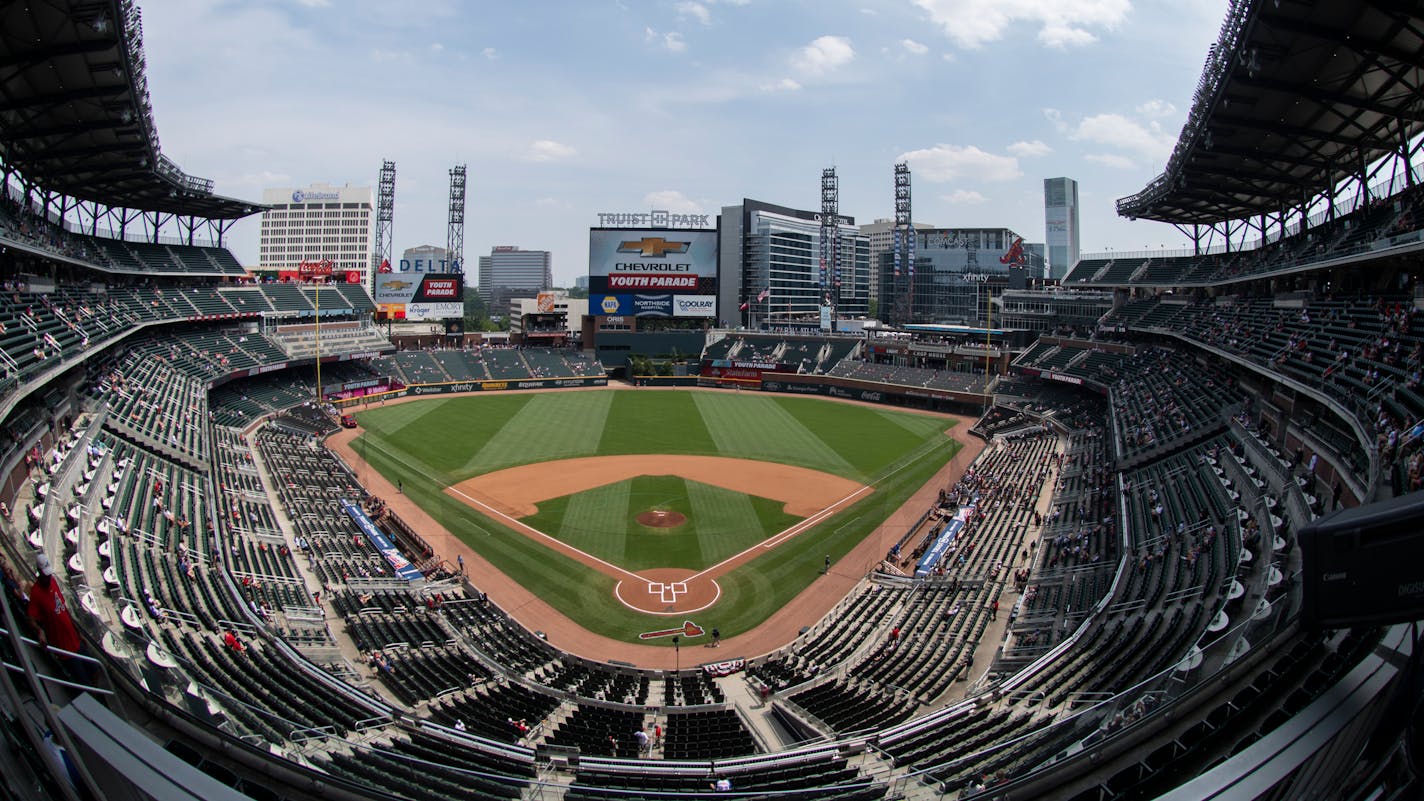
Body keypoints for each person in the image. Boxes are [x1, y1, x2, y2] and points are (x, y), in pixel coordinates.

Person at [28, 554, 93, 683]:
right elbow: (31, 618)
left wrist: (78, 633)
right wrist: (39, 631)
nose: (48, 577)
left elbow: (64, 610)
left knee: (94, 670)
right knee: (83, 681)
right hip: (63, 647)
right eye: (45, 575)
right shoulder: (36, 593)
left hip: (74, 638)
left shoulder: (53, 582)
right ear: (39, 572)